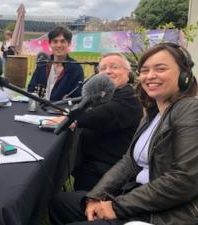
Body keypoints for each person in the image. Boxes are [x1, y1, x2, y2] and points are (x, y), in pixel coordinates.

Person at [49, 43, 198, 225]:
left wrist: (116, 207)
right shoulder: (152, 114)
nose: (150, 76)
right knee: (60, 202)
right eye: (145, 70)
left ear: (184, 75)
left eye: (160, 69)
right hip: (136, 197)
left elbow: (184, 180)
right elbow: (128, 162)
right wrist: (95, 197)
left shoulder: (191, 109)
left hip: (162, 213)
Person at [49, 53, 143, 191]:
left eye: (114, 67)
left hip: (107, 171)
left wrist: (73, 119)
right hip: (90, 165)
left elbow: (104, 114)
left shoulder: (130, 97)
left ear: (128, 73)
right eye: (103, 68)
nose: (108, 71)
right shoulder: (104, 95)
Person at [27, 26, 84, 101]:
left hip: (61, 110)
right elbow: (31, 89)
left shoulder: (76, 69)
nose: (59, 45)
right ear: (50, 44)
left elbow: (76, 97)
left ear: (69, 44)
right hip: (38, 109)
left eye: (63, 41)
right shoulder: (42, 65)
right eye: (55, 41)